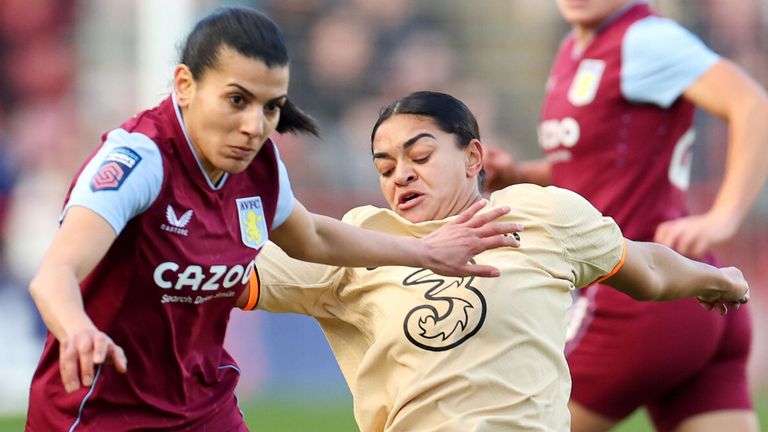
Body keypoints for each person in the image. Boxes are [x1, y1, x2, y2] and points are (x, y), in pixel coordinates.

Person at [22, 8, 524, 431]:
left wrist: (427, 252)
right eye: (237, 100)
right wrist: (77, 330)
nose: (253, 125)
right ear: (184, 85)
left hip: (202, 401)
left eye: (271, 107)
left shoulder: (259, 165)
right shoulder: (139, 160)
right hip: (104, 407)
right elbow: (54, 275)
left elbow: (314, 237)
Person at [242, 91, 751, 432]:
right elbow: (228, 272)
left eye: (420, 157)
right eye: (386, 166)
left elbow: (649, 269)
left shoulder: (541, 213)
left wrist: (718, 279)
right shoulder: (356, 242)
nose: (401, 175)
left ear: (473, 158)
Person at [482, 1, 768, 431]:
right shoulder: (574, 48)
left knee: (514, 421)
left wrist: (724, 215)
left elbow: (753, 106)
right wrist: (522, 174)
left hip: (638, 294)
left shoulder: (644, 39)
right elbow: (600, 166)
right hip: (692, 295)